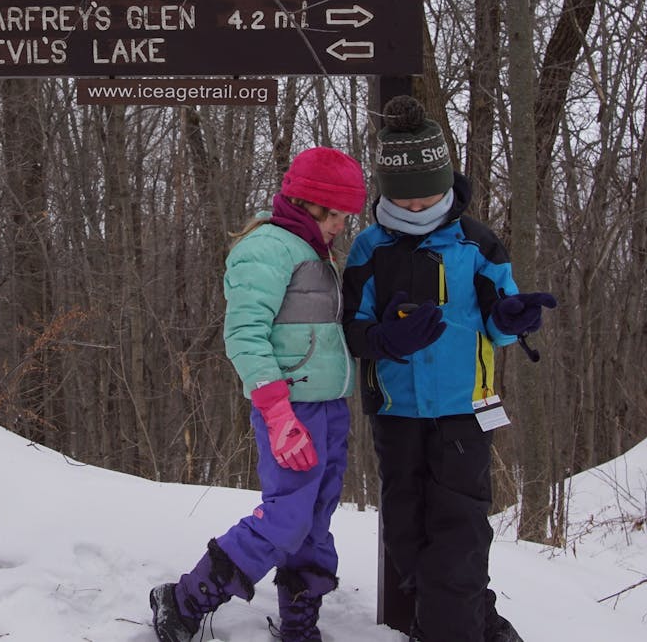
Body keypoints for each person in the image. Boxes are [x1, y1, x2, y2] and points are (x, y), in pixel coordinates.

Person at [149, 146, 437, 642]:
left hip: (327, 406)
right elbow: (244, 335)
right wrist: (277, 411)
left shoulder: (312, 252)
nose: (340, 227)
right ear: (308, 204)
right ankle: (184, 598)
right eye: (336, 216)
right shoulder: (267, 248)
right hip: (289, 408)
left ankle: (299, 622)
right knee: (287, 517)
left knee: (315, 520)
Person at [342, 94, 556, 642]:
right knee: (407, 536)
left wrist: (514, 317)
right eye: (405, 204)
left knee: (458, 532)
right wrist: (386, 338)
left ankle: (447, 630)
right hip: (397, 413)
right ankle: (474, 621)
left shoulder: (478, 243)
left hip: (465, 411)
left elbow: (501, 324)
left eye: (428, 200)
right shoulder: (369, 249)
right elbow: (353, 332)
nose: (416, 212)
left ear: (447, 184)